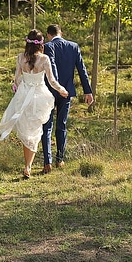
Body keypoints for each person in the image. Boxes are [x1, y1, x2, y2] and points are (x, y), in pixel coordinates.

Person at [0, 29, 69, 179]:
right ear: (41, 44)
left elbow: (17, 79)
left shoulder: (20, 57)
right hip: (39, 97)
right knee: (36, 132)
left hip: (24, 96)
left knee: (26, 131)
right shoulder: (44, 59)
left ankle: (27, 166)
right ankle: (28, 166)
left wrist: (18, 88)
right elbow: (52, 81)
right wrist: (62, 90)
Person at [41, 23, 93, 172]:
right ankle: (60, 159)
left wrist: (57, 87)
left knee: (47, 126)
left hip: (50, 91)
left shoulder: (47, 46)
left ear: (49, 34)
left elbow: (52, 66)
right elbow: (82, 70)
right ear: (61, 33)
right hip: (67, 92)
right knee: (62, 125)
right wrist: (87, 91)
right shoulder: (74, 46)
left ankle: (47, 162)